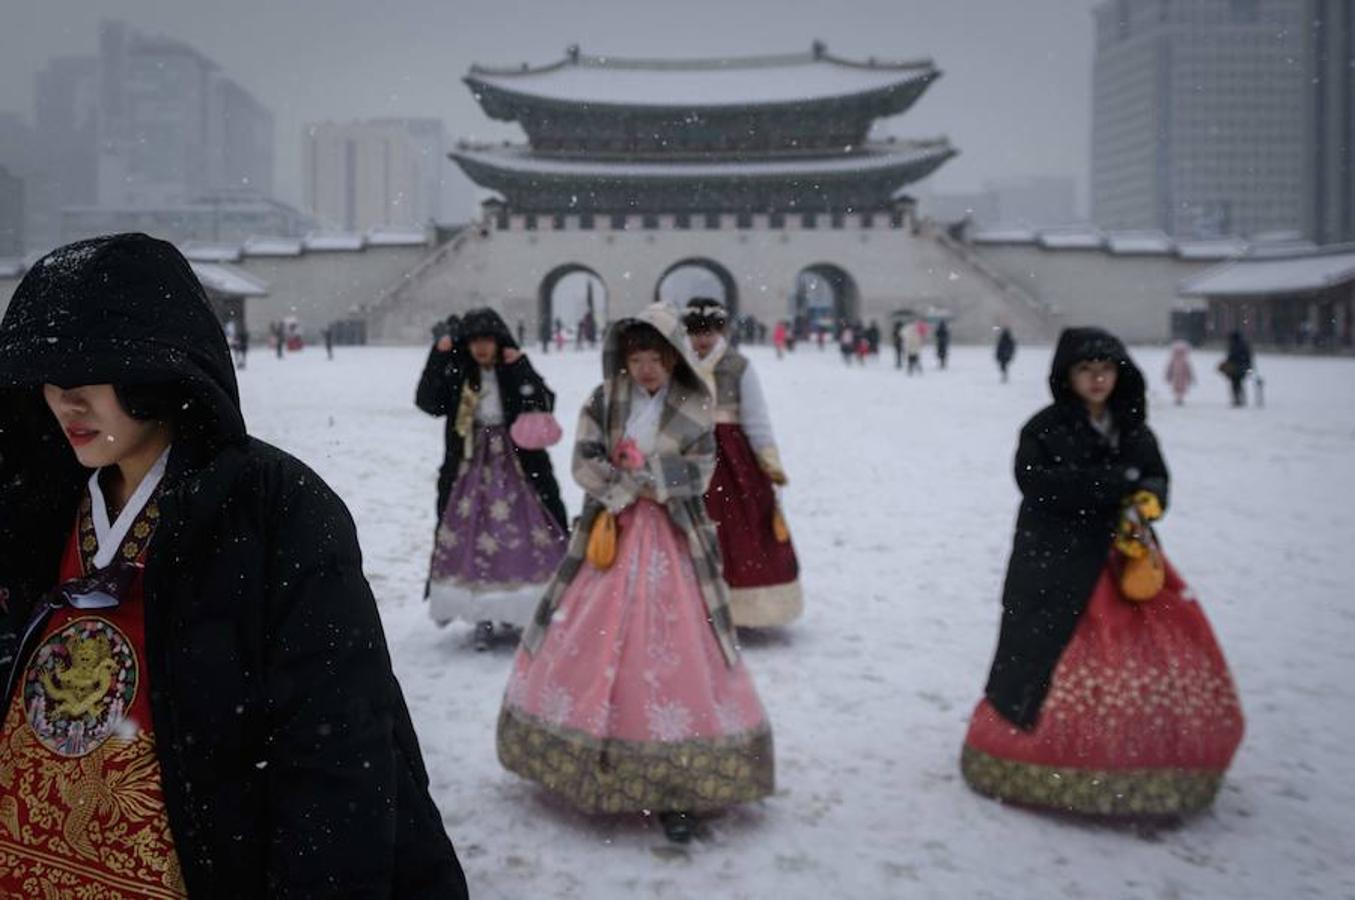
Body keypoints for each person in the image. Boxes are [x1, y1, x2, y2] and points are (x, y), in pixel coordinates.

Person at [0, 234, 468, 897]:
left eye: (87, 373)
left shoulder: (273, 510)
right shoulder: (36, 503)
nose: (64, 402)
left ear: (154, 366)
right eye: (48, 378)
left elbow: (333, 753)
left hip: (202, 861)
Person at [497, 303, 775, 844]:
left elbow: (701, 466)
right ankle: (586, 753)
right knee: (591, 631)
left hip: (673, 537)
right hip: (613, 534)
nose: (646, 368)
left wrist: (649, 478)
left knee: (678, 643)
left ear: (672, 359)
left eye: (656, 357)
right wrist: (627, 487)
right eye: (637, 357)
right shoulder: (603, 401)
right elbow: (584, 461)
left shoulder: (694, 402)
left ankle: (682, 776)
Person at [960, 327, 1244, 817]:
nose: (1097, 379)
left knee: (1142, 652)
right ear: (1068, 376)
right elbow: (1038, 484)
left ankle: (1140, 754)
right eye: (1086, 370)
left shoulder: (1133, 427)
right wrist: (1116, 483)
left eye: (1106, 369)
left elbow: (1155, 475)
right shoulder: (1044, 429)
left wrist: (1149, 496)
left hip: (1123, 558)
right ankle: (1039, 758)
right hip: (1056, 558)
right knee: (1048, 653)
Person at [415, 308, 568, 648]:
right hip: (469, 465)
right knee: (473, 536)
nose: (482, 348)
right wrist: (437, 358)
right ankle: (481, 612)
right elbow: (428, 402)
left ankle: (519, 608)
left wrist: (520, 366)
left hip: (518, 467)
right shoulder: (460, 374)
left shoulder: (512, 368)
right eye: (475, 342)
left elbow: (544, 402)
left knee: (522, 534)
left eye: (487, 341)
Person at [684, 298, 803, 628]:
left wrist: (767, 459)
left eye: (708, 332)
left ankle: (742, 606)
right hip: (688, 453)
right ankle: (690, 605)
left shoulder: (737, 366)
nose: (702, 340)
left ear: (721, 330)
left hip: (731, 458)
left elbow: (756, 417)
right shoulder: (677, 364)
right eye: (695, 333)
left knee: (739, 531)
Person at [1221, 330, 1253, 407]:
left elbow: (1232, 357)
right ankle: (1240, 399)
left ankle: (1237, 399)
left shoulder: (1234, 345)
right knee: (1239, 383)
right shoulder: (1244, 345)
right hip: (1242, 368)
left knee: (1235, 384)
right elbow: (1248, 357)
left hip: (1235, 368)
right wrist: (1249, 367)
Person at [1164, 340, 1195, 405]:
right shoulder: (1173, 360)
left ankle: (1179, 399)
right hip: (1176, 377)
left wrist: (1190, 376)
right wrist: (1168, 375)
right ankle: (1178, 399)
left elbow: (1188, 369)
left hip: (1182, 377)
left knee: (1181, 388)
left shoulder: (1184, 361)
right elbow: (1170, 368)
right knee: (1177, 388)